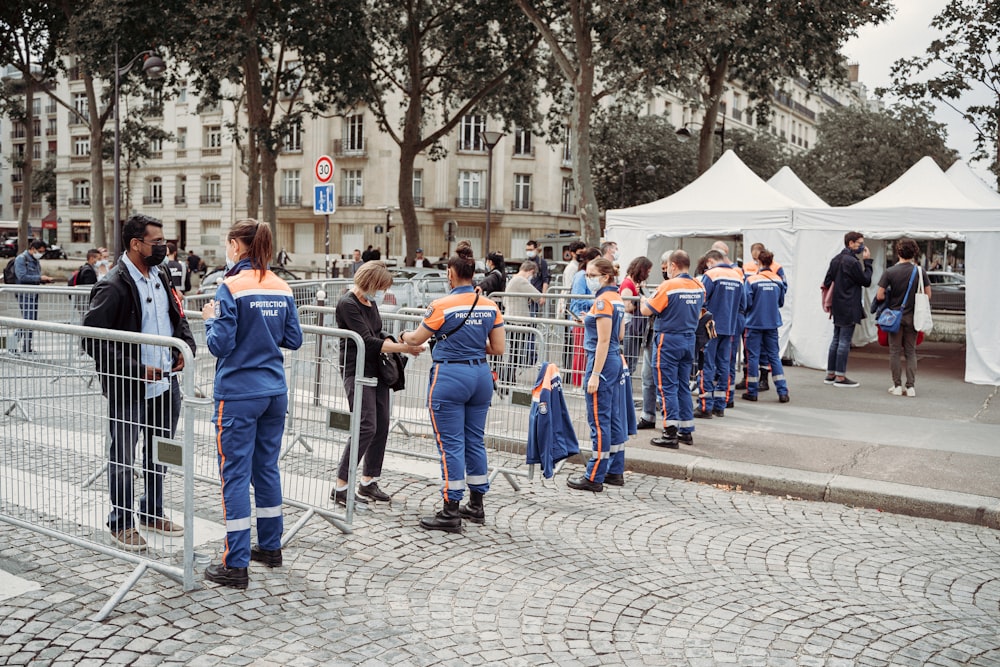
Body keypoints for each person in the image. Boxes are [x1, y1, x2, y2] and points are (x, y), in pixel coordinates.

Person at [200, 219, 303, 589]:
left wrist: (210, 320)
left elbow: (219, 345)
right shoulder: (282, 285)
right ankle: (271, 547)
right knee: (267, 469)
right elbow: (294, 338)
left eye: (228, 244)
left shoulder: (229, 286)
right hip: (274, 390)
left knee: (235, 476)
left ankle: (236, 563)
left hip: (239, 393)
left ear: (236, 246)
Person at [83, 214, 194, 552]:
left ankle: (152, 510)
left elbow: (178, 316)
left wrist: (185, 347)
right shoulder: (113, 285)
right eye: (157, 242)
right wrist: (135, 368)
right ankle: (122, 522)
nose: (164, 247)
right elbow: (92, 339)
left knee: (159, 453)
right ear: (135, 244)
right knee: (123, 456)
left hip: (165, 385)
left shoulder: (161, 274)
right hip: (129, 386)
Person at [399, 243, 505, 532]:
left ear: (450, 274)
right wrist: (471, 343)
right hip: (481, 375)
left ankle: (450, 510)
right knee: (475, 440)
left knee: (451, 445)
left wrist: (402, 333)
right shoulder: (489, 305)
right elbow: (497, 348)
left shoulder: (441, 305)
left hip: (450, 376)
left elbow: (416, 339)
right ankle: (477, 504)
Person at [331, 261, 423, 507]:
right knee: (366, 425)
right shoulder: (347, 303)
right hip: (356, 369)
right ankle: (341, 486)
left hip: (377, 370)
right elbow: (367, 340)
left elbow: (378, 332)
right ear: (370, 283)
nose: (381, 293)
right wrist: (405, 347)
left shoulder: (370, 302)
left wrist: (399, 341)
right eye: (380, 287)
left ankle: (369, 481)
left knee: (381, 424)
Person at [567, 258, 628, 492]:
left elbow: (603, 340)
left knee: (598, 419)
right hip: (612, 359)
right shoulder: (616, 298)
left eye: (591, 275)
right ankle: (614, 470)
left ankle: (594, 475)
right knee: (612, 416)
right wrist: (590, 322)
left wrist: (594, 374)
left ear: (604, 277)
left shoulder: (603, 301)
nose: (587, 279)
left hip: (601, 360)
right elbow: (619, 334)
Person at [640, 249, 705, 449]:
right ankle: (686, 431)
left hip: (668, 340)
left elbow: (646, 310)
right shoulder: (698, 285)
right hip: (688, 339)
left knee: (667, 387)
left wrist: (644, 299)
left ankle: (670, 432)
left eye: (667, 266)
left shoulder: (668, 286)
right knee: (683, 385)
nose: (666, 270)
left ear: (673, 266)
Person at [876, 238, 930, 397]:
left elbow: (880, 295)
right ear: (914, 253)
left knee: (894, 352)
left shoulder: (890, 272)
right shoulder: (920, 271)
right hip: (913, 317)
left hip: (895, 317)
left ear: (898, 252)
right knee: (911, 352)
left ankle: (897, 386)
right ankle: (911, 387)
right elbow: (928, 294)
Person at [695, 249, 745, 418]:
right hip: (729, 326)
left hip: (711, 327)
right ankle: (720, 405)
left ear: (710, 260)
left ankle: (705, 406)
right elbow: (743, 303)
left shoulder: (711, 275)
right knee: (724, 365)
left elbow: (702, 300)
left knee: (706, 365)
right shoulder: (737, 276)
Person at [823, 231, 873, 387]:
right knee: (844, 340)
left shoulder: (835, 259)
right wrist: (868, 262)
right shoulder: (852, 262)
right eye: (859, 243)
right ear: (850, 243)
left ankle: (830, 374)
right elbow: (866, 281)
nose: (862, 246)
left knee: (836, 339)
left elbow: (827, 280)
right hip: (850, 304)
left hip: (837, 304)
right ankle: (840, 377)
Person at [741, 250, 790, 403]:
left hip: (754, 322)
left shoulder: (752, 280)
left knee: (753, 357)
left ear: (759, 263)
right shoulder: (778, 280)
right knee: (774, 356)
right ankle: (783, 391)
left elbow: (746, 302)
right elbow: (781, 302)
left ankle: (752, 391)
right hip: (772, 322)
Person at [567, 247, 602, 386]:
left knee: (585, 352)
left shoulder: (586, 275)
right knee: (580, 352)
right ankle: (577, 383)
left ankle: (582, 381)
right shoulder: (581, 276)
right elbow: (578, 298)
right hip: (580, 318)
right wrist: (597, 301)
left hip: (589, 316)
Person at [502, 260, 542, 384]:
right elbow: (537, 295)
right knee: (516, 352)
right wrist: (529, 299)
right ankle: (508, 378)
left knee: (514, 351)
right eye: (533, 274)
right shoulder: (521, 280)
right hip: (519, 320)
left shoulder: (513, 279)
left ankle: (508, 378)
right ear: (531, 271)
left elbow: (504, 301)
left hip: (510, 318)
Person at [12, 240, 55, 353]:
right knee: (27, 320)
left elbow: (33, 276)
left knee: (31, 321)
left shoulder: (35, 261)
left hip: (33, 293)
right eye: (39, 251)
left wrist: (43, 280)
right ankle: (11, 345)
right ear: (32, 249)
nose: (40, 254)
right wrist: (40, 278)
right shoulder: (21, 259)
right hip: (24, 293)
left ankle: (27, 347)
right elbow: (22, 276)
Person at [619, 256, 652, 381]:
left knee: (630, 362)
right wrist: (640, 303)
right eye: (647, 271)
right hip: (629, 325)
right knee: (629, 362)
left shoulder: (632, 284)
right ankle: (625, 395)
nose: (648, 274)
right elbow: (626, 306)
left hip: (631, 325)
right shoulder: (627, 284)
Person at [524, 240, 550, 313]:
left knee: (533, 318)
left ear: (536, 249)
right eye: (527, 250)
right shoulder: (526, 262)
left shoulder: (542, 262)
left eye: (531, 250)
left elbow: (545, 280)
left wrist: (543, 296)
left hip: (536, 295)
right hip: (526, 296)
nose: (529, 252)